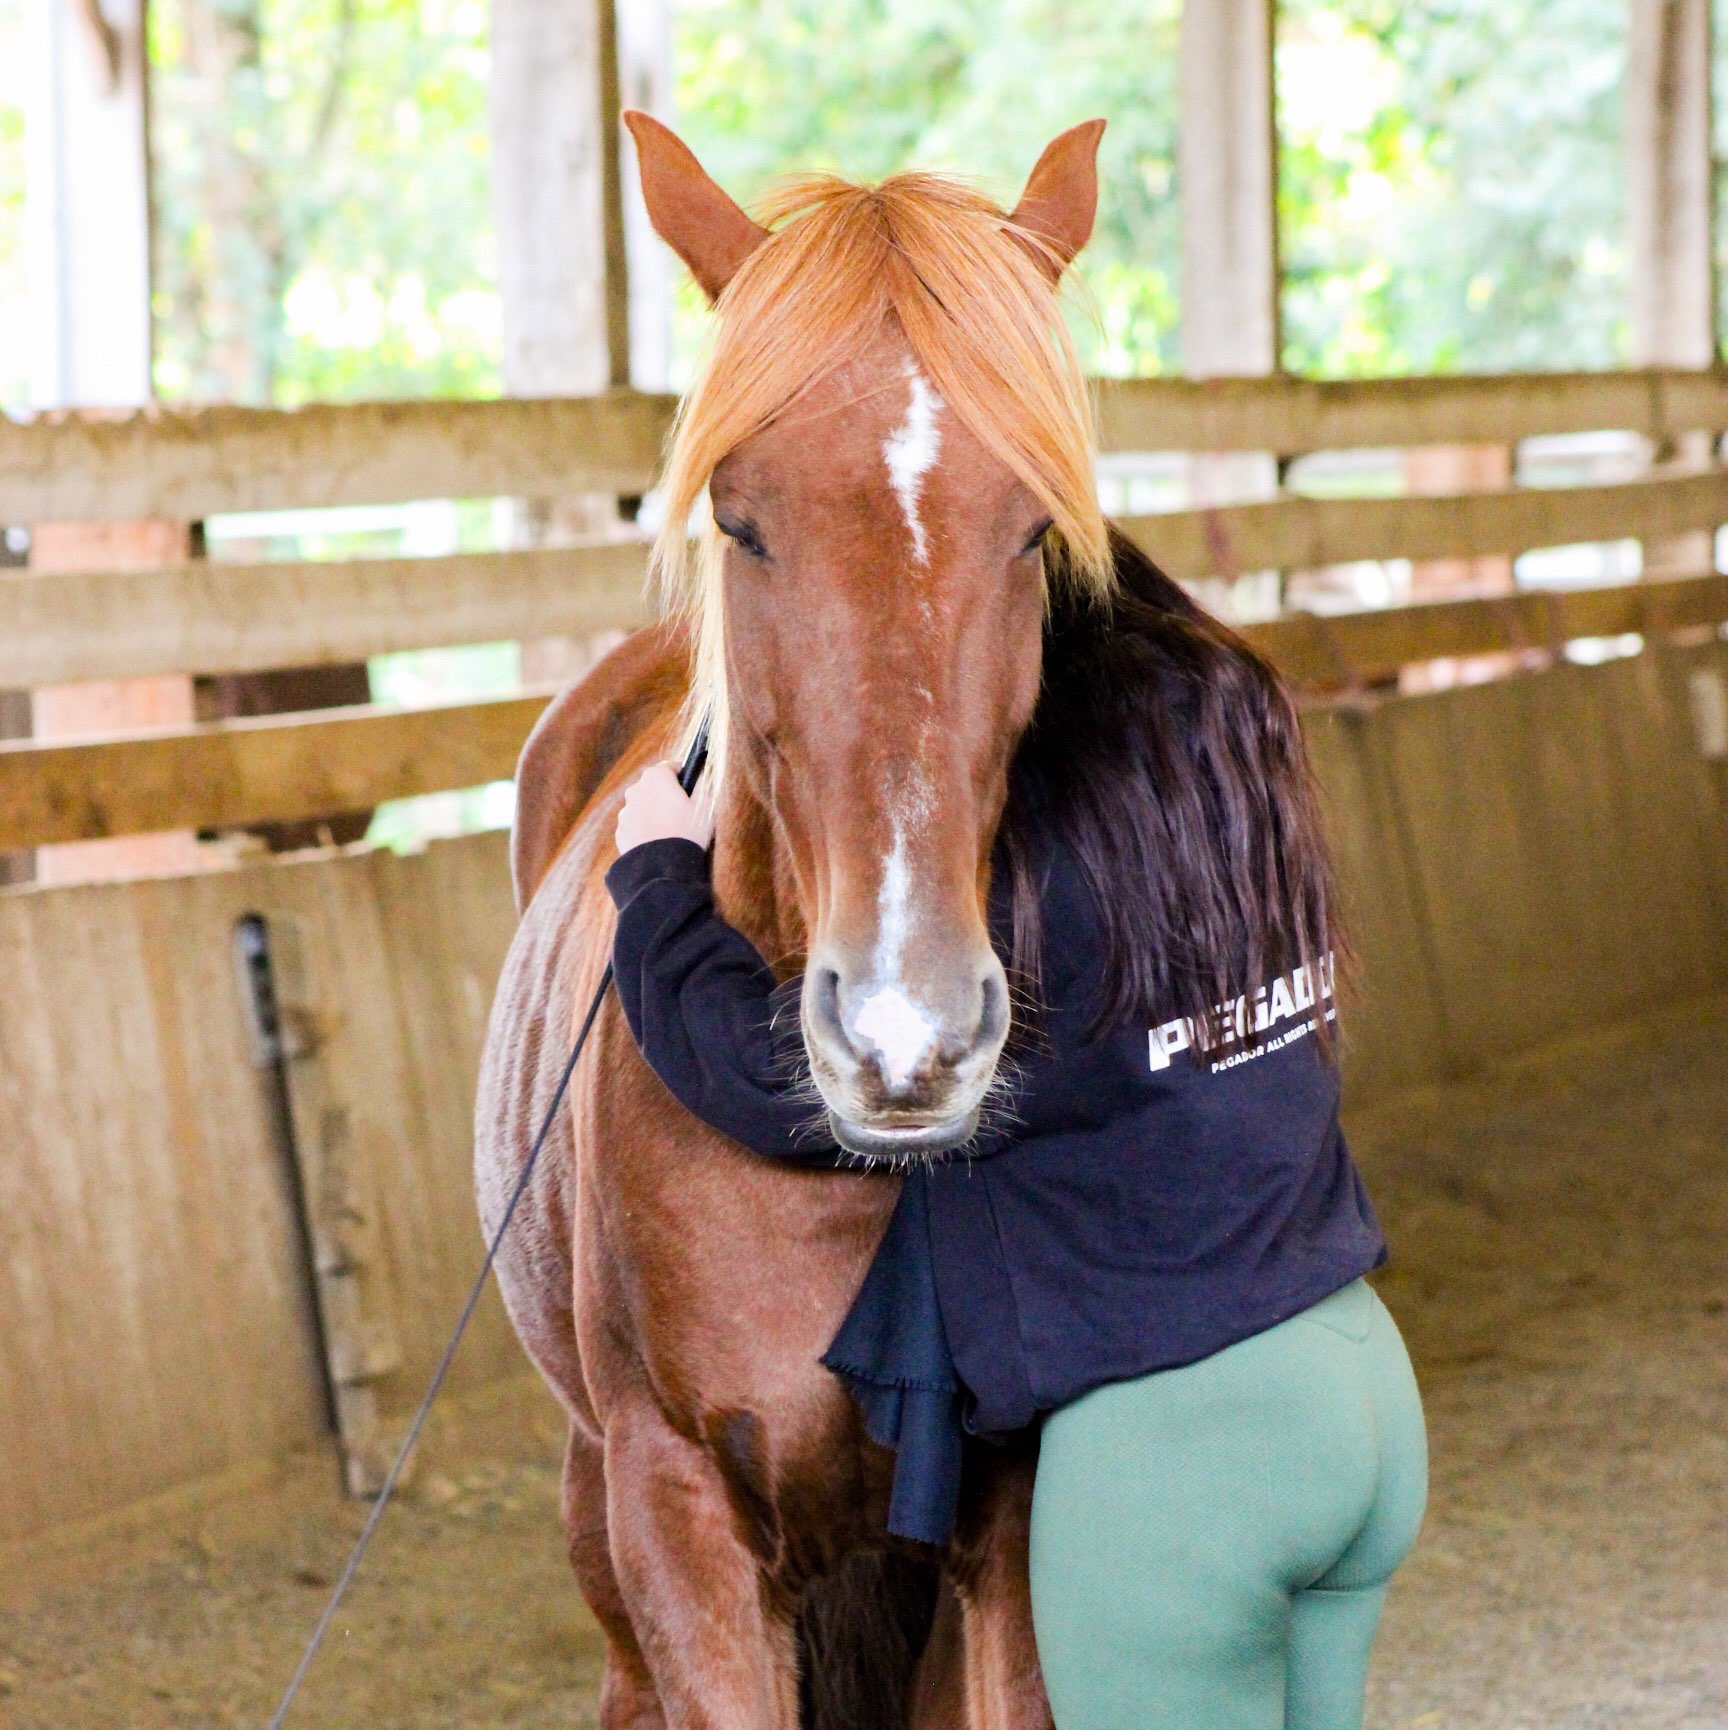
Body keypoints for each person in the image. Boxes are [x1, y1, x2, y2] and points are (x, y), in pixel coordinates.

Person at [598, 580, 1427, 1730]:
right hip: (1359, 1397)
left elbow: (763, 1072)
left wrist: (653, 880)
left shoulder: (1042, 944)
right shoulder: (1254, 862)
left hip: (1181, 1462)